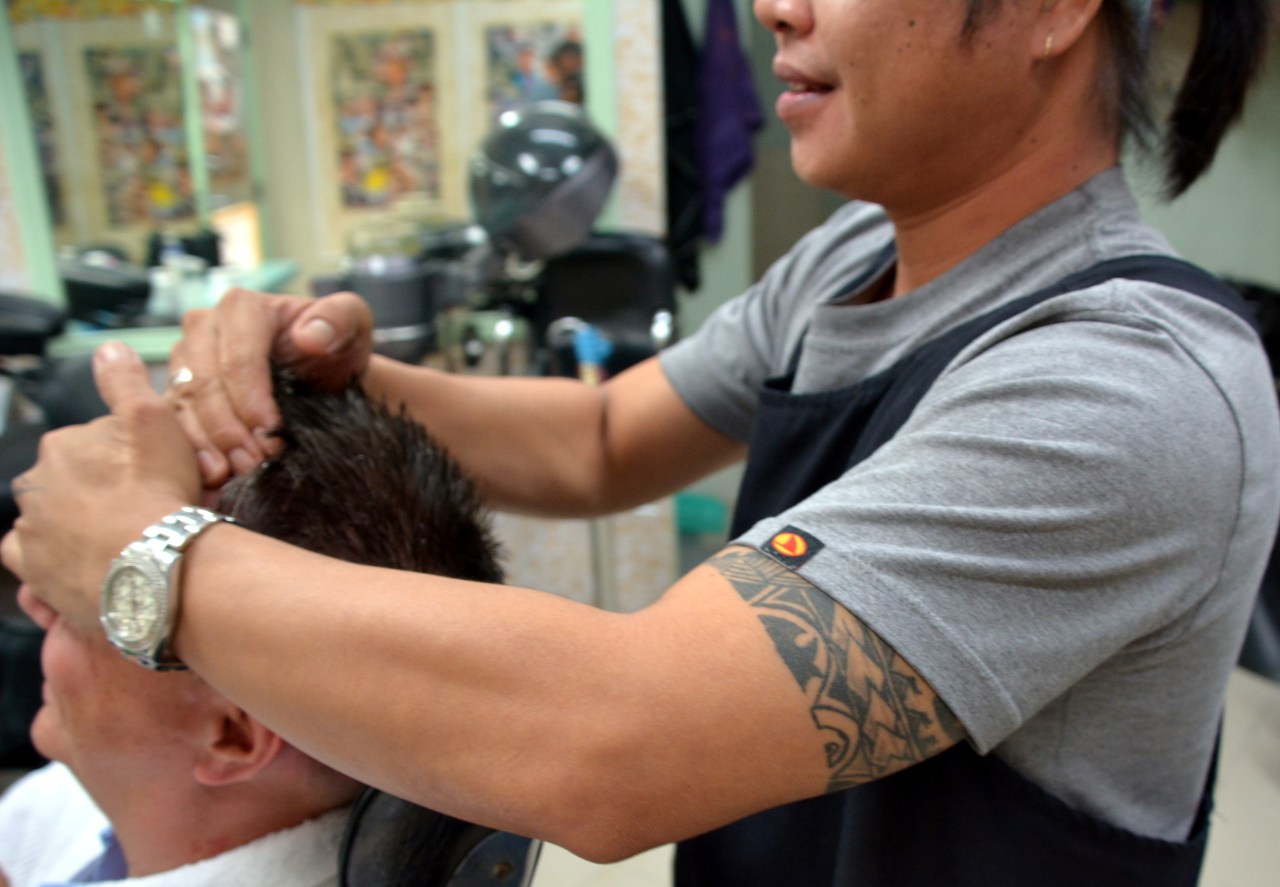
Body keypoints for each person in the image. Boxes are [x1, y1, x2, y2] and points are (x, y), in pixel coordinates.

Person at [5, 1, 1278, 885]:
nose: (772, 11)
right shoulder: (852, 258)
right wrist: (346, 371)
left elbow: (613, 743)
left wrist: (141, 556)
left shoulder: (1125, 386)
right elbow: (605, 436)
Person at [0, 370, 502, 886]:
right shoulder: (88, 792)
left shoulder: (128, 772)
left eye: (100, 601)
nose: (33, 602)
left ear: (231, 735)